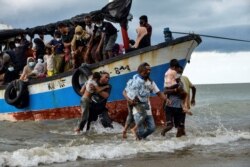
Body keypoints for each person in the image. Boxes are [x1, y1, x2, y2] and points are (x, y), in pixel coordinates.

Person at [123, 62, 167, 140]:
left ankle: (140, 141)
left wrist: (167, 99)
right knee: (140, 129)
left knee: (152, 128)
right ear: (141, 71)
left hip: (147, 107)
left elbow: (159, 93)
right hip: (136, 108)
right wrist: (128, 99)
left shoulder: (151, 83)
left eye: (149, 70)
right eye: (146, 70)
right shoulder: (134, 80)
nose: (148, 72)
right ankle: (139, 144)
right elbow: (124, 92)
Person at [161, 69, 188, 138]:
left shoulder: (180, 84)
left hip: (179, 108)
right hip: (170, 107)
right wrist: (163, 105)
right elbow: (165, 92)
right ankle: (162, 134)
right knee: (170, 126)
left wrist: (185, 106)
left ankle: (179, 142)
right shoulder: (171, 83)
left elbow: (184, 94)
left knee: (180, 126)